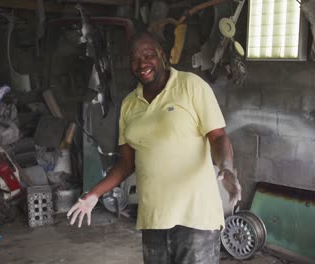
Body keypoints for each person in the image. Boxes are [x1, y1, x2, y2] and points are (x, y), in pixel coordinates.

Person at [67, 31, 241, 264]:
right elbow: (126, 163)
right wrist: (94, 194)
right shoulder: (129, 104)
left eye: (148, 55)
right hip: (154, 218)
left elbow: (218, 136)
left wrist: (226, 167)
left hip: (195, 218)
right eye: (135, 59)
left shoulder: (191, 86)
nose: (142, 64)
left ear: (160, 55)